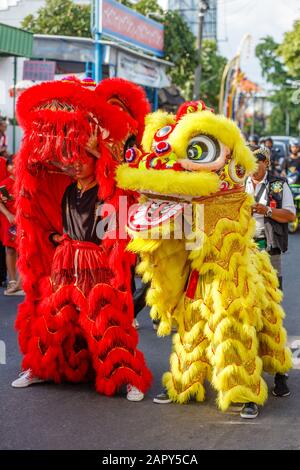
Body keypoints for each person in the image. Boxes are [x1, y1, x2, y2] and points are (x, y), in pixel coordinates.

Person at [12, 77, 152, 401]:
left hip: (97, 264)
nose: (73, 165)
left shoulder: (108, 192)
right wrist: (54, 237)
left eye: (81, 159)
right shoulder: (68, 190)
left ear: (95, 161)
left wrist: (103, 150)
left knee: (108, 322)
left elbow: (120, 189)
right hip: (65, 262)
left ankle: (127, 377)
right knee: (52, 318)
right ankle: (38, 368)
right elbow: (53, 214)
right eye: (71, 160)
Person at [245, 145, 296, 404]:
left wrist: (265, 211)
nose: (253, 165)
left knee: (271, 313)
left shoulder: (278, 185)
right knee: (245, 311)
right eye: (249, 160)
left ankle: (279, 373)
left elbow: (289, 215)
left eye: (258, 160)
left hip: (270, 252)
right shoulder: (237, 182)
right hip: (242, 252)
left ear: (267, 161)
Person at [0, 156, 22, 295]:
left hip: (24, 220)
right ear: (7, 168)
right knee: (10, 249)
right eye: (11, 165)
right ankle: (12, 280)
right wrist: (8, 214)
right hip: (10, 221)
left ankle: (22, 281)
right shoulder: (4, 184)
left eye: (17, 165)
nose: (14, 168)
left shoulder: (25, 182)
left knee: (23, 251)